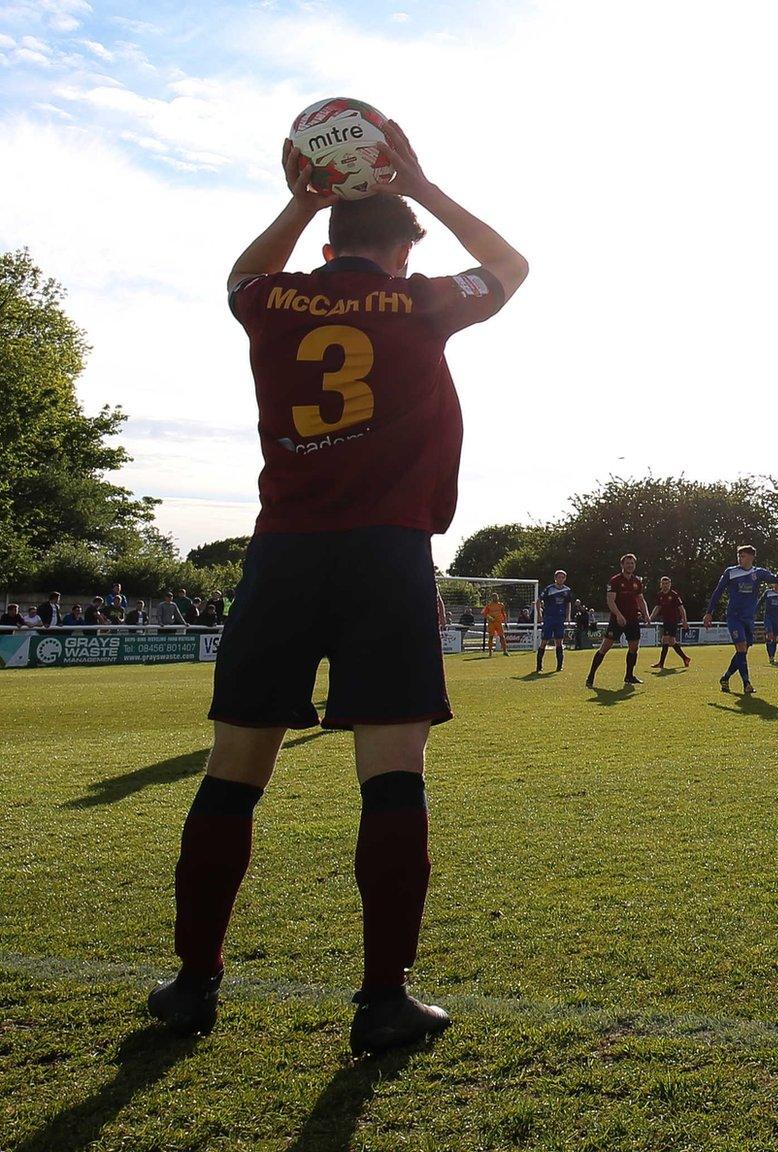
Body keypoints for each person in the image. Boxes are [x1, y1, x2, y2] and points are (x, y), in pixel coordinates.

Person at [148, 122, 527, 1055]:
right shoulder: (422, 302)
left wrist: (299, 199)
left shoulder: (275, 299)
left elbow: (236, 279)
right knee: (392, 775)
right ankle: (381, 1001)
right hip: (386, 553)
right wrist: (429, 183)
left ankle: (195, 985)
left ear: (327, 243)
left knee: (232, 772)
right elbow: (512, 266)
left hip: (281, 554)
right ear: (402, 247)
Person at [705, 546, 778, 693]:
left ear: (753, 557)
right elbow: (717, 592)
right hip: (734, 617)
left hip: (748, 619)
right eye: (739, 556)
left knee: (743, 651)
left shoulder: (758, 573)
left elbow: (775, 579)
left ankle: (725, 678)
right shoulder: (731, 572)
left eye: (744, 556)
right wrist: (709, 612)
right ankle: (747, 684)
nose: (740, 559)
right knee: (741, 648)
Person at [588, 554, 649, 688]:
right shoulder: (614, 581)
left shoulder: (637, 581)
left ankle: (629, 676)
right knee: (605, 648)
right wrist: (619, 615)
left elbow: (640, 599)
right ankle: (591, 676)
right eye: (627, 563)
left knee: (634, 648)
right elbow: (610, 600)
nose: (630, 566)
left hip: (633, 619)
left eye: (632, 563)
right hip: (617, 620)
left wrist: (646, 615)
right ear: (622, 565)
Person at [652, 575, 691, 670]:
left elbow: (681, 608)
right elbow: (657, 607)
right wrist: (650, 617)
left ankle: (661, 663)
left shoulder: (674, 595)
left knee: (665, 640)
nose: (665, 585)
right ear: (660, 585)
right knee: (672, 641)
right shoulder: (660, 595)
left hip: (673, 621)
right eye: (663, 584)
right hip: (666, 621)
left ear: (670, 584)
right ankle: (685, 658)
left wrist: (684, 620)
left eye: (667, 583)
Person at [535, 570, 571, 673]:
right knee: (544, 641)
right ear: (555, 578)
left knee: (559, 642)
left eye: (563, 577)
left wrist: (568, 616)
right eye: (559, 577)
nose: (561, 579)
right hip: (549, 618)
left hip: (560, 619)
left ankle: (559, 666)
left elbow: (568, 604)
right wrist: (540, 615)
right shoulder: (549, 589)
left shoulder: (567, 590)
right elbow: (538, 601)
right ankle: (539, 666)